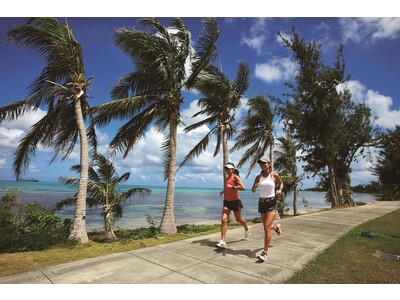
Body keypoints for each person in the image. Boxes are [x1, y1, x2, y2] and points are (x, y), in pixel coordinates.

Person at [251, 156, 284, 262]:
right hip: (261, 203)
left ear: (269, 164)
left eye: (264, 163)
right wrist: (255, 187)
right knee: (268, 226)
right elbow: (252, 190)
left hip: (272, 203)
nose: (262, 165)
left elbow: (281, 183)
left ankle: (265, 253)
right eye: (260, 163)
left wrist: (279, 189)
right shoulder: (258, 177)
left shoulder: (274, 175)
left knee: (266, 227)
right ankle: (277, 228)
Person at [216, 163, 250, 249]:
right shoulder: (227, 178)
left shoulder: (235, 177)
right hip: (227, 202)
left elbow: (243, 187)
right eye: (226, 169)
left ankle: (246, 228)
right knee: (224, 219)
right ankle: (223, 241)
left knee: (239, 219)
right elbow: (228, 187)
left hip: (235, 202)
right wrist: (224, 191)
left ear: (233, 169)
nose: (227, 170)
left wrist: (232, 187)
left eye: (228, 169)